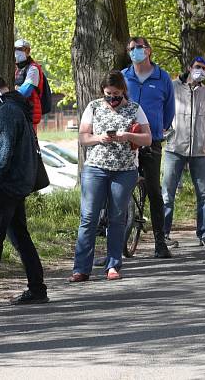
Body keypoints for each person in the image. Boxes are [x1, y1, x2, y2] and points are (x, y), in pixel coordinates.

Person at [0, 68, 49, 307]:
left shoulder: (7, 112)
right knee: (19, 237)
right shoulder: (19, 107)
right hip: (17, 185)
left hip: (3, 186)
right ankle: (37, 288)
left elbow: (2, 154)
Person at [69, 71, 153, 282]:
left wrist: (128, 135)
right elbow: (83, 137)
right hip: (96, 167)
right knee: (89, 217)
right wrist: (99, 138)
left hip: (124, 170)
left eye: (116, 93)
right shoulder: (94, 107)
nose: (112, 98)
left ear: (123, 91)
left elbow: (148, 139)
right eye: (108, 94)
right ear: (102, 92)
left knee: (117, 217)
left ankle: (113, 264)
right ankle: (81, 268)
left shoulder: (135, 108)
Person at [121, 36, 175, 258]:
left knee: (154, 190)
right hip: (126, 140)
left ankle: (159, 242)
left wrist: (158, 130)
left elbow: (169, 110)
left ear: (149, 51)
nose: (135, 52)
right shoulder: (124, 77)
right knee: (118, 189)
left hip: (151, 141)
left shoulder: (162, 78)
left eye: (139, 48)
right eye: (131, 49)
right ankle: (114, 241)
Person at [161, 57, 205, 247]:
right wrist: (168, 133)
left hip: (199, 151)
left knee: (203, 194)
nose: (200, 71)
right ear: (189, 68)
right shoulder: (172, 87)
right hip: (174, 148)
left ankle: (204, 233)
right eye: (198, 67)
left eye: (204, 68)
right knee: (167, 194)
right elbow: (161, 112)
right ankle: (163, 235)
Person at [14, 39, 44, 129]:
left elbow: (25, 91)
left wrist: (13, 90)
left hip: (30, 113)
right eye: (15, 49)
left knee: (30, 142)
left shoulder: (33, 69)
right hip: (20, 111)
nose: (17, 52)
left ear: (27, 51)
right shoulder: (17, 69)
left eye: (20, 49)